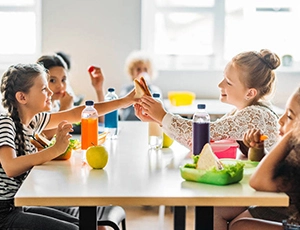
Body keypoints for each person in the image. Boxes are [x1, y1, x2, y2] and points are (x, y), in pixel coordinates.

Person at [0, 63, 136, 230]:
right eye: (43, 89)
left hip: (17, 206)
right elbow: (10, 167)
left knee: (85, 226)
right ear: (22, 97)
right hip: (4, 214)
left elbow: (77, 113)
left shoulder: (34, 121)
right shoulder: (6, 123)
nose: (50, 92)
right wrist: (54, 150)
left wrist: (124, 102)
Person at [135, 49, 280, 156]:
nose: (220, 85)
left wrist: (162, 116)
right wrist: (159, 120)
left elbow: (205, 133)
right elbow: (201, 142)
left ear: (250, 93)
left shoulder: (254, 115)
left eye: (228, 82)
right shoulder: (239, 112)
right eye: (224, 78)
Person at [214, 86, 300, 230]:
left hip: (292, 215)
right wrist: (257, 151)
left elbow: (258, 181)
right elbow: (275, 174)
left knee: (240, 227)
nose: (281, 120)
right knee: (215, 211)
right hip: (284, 208)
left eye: (290, 116)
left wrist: (291, 134)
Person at [119, 50, 162, 121]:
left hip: (148, 124)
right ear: (132, 73)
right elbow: (121, 105)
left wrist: (146, 87)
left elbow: (161, 109)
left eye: (145, 69)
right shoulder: (127, 89)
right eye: (138, 69)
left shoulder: (155, 90)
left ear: (150, 72)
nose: (142, 72)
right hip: (129, 122)